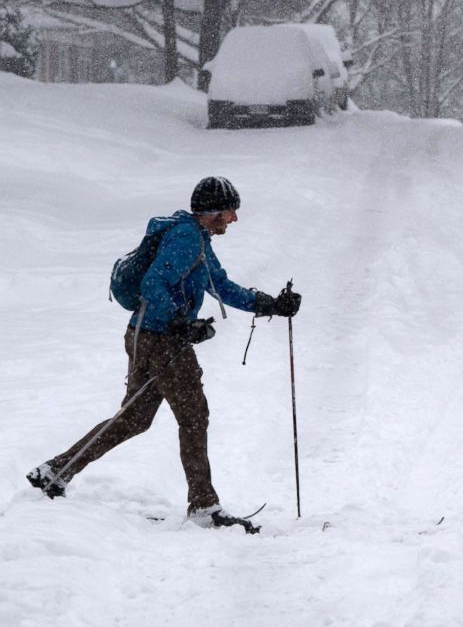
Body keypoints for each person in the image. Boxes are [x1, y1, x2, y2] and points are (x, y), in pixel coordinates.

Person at [26, 177, 302, 529]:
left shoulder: (196, 237)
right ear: (212, 211)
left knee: (135, 418)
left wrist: (270, 304)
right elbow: (153, 283)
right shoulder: (186, 239)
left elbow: (221, 285)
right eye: (230, 211)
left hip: (145, 335)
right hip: (162, 341)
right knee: (193, 416)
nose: (234, 219)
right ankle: (203, 506)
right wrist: (179, 323)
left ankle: (55, 471)